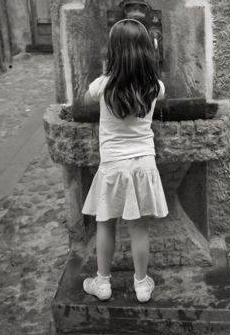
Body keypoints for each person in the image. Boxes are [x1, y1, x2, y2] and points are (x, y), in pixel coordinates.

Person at [73, 19, 168, 302]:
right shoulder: (155, 87)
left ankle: (102, 283)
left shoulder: (102, 86)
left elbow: (83, 100)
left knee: (105, 223)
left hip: (113, 165)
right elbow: (159, 90)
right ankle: (141, 284)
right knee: (138, 227)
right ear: (146, 51)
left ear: (112, 53)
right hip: (143, 165)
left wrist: (107, 72)